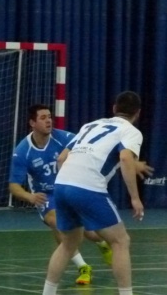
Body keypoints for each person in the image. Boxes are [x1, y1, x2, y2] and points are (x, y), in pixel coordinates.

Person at [42, 91, 149, 295]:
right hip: (87, 186)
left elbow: (61, 159)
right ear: (138, 113)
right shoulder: (131, 131)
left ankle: (47, 292)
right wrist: (135, 198)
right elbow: (126, 159)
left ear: (114, 108)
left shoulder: (90, 125)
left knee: (68, 244)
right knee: (120, 241)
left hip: (62, 184)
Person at [9, 104, 112, 285]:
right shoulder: (23, 151)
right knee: (59, 224)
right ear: (32, 123)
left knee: (91, 233)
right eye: (43, 118)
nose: (49, 120)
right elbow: (14, 186)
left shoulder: (62, 138)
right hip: (46, 197)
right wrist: (30, 197)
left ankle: (102, 244)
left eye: (49, 116)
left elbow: (85, 144)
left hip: (70, 188)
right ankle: (83, 267)